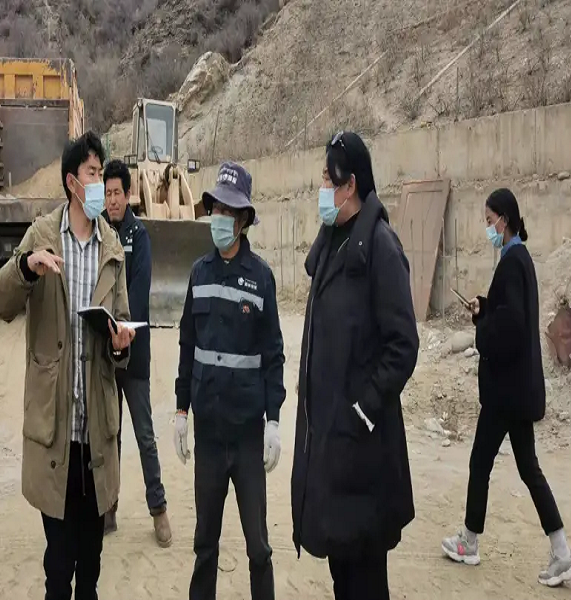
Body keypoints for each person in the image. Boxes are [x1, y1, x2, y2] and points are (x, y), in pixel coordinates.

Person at [0, 131, 136, 600]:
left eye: (103, 173)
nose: (101, 184)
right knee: (59, 566)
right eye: (93, 173)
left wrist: (120, 344)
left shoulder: (112, 248)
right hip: (55, 429)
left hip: (96, 432)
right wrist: (26, 268)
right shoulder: (42, 236)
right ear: (73, 183)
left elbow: (123, 324)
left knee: (90, 566)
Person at [290, 131, 419, 600]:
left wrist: (364, 407)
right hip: (332, 446)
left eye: (329, 179)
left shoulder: (380, 247)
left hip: (363, 452)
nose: (322, 187)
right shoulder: (334, 243)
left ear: (351, 186)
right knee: (343, 573)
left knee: (365, 577)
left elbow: (403, 345)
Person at [441, 188, 571, 587]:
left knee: (481, 462)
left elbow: (511, 327)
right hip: (517, 388)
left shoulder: (512, 262)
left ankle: (470, 542)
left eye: (489, 221)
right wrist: (484, 307)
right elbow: (509, 313)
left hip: (506, 392)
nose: (488, 229)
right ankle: (561, 551)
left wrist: (482, 329)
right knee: (526, 468)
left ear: (504, 219)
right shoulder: (519, 259)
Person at [174, 161, 286, 600]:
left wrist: (273, 420)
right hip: (208, 434)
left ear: (242, 220)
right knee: (205, 544)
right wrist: (181, 410)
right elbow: (187, 344)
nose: (218, 218)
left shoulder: (260, 278)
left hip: (246, 436)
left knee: (258, 547)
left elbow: (273, 354)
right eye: (215, 209)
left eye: (227, 211)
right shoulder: (199, 273)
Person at [101, 159, 172, 546]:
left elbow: (139, 293)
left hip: (134, 352)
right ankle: (109, 507)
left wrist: (123, 330)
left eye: (118, 193)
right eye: (107, 193)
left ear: (128, 195)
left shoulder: (138, 236)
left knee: (144, 435)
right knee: (109, 435)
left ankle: (158, 510)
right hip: (104, 352)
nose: (112, 200)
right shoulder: (98, 231)